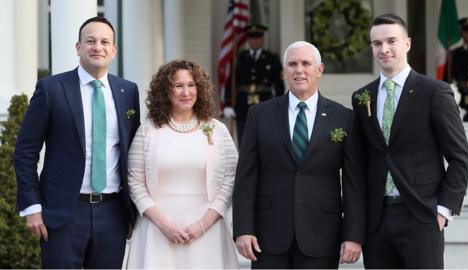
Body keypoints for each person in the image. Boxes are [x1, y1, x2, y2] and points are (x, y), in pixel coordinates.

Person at [14, 17, 140, 268]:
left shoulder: (128, 92)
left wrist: (132, 210)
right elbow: (25, 152)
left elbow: (134, 153)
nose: (98, 47)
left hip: (113, 213)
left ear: (113, 50)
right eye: (90, 41)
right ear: (78, 47)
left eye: (105, 42)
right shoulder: (51, 89)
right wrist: (31, 206)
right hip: (63, 213)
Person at [232, 41, 366, 269]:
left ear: (320, 70)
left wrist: (353, 235)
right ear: (284, 71)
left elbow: (355, 183)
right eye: (292, 64)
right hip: (268, 234)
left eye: (306, 63)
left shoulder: (344, 118)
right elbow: (246, 177)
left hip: (322, 235)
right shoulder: (259, 115)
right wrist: (243, 229)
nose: (299, 70)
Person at [351, 13, 468, 268]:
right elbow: (361, 164)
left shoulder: (434, 92)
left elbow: (460, 157)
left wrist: (443, 211)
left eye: (391, 41)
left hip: (422, 217)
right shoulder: (362, 97)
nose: (384, 49)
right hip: (377, 222)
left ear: (407, 43)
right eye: (376, 43)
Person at [126, 60, 238, 268]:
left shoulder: (218, 130)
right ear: (165, 91)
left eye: (191, 85)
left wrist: (202, 226)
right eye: (178, 86)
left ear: (200, 89)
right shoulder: (148, 131)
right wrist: (164, 225)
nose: (185, 92)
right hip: (156, 232)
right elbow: (135, 180)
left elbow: (230, 180)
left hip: (207, 232)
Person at [224, 24, 285, 144]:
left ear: (262, 39)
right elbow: (231, 81)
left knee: (265, 142)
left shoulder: (272, 58)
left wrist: (280, 104)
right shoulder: (239, 57)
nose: (255, 40)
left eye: (257, 37)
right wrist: (228, 103)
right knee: (244, 142)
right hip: (242, 106)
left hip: (266, 104)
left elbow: (278, 84)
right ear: (248, 39)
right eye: (252, 37)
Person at [450, 17, 468, 196]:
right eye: (466, 31)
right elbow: (452, 79)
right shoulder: (455, 54)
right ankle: (462, 189)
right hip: (461, 108)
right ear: (462, 33)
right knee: (461, 150)